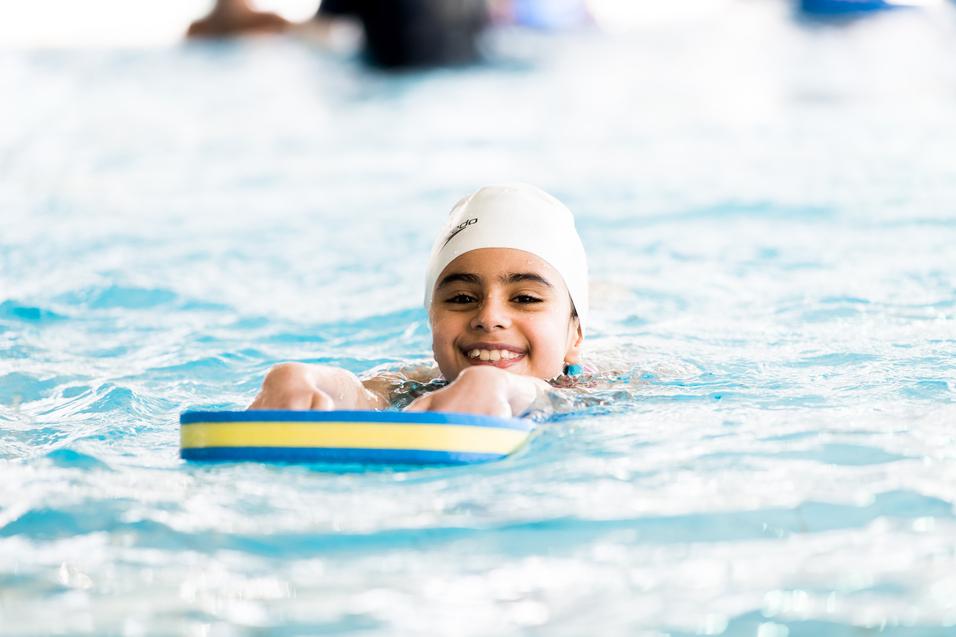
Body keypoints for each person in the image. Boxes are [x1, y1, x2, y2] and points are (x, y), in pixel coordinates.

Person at [249, 183, 589, 418]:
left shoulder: (610, 389)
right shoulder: (418, 387)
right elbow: (364, 396)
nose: (489, 317)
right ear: (432, 321)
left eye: (526, 298)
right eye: (461, 297)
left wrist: (505, 388)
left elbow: (555, 401)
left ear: (575, 335)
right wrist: (304, 380)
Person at [187, 0, 488, 69]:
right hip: (471, 68)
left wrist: (276, 29)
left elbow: (319, 32)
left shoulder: (197, 32)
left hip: (395, 76)